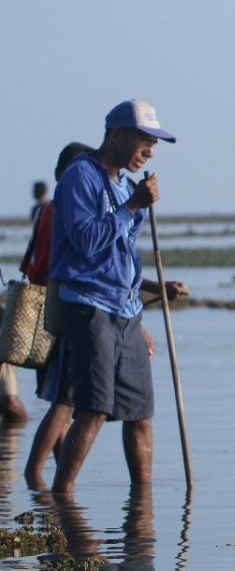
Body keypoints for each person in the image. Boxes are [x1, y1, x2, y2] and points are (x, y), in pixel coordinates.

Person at [48, 100, 189, 494]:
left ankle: (141, 511)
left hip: (126, 311)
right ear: (116, 134)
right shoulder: (81, 177)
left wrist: (156, 289)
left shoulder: (126, 185)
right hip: (89, 306)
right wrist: (133, 206)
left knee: (140, 413)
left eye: (154, 145)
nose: (150, 151)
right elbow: (88, 242)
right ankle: (61, 501)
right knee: (93, 408)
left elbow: (120, 256)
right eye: (145, 141)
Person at [20, 142, 94, 486]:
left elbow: (33, 265)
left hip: (44, 310)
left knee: (61, 401)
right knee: (64, 403)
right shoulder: (64, 208)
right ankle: (36, 478)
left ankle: (59, 489)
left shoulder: (46, 209)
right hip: (64, 312)